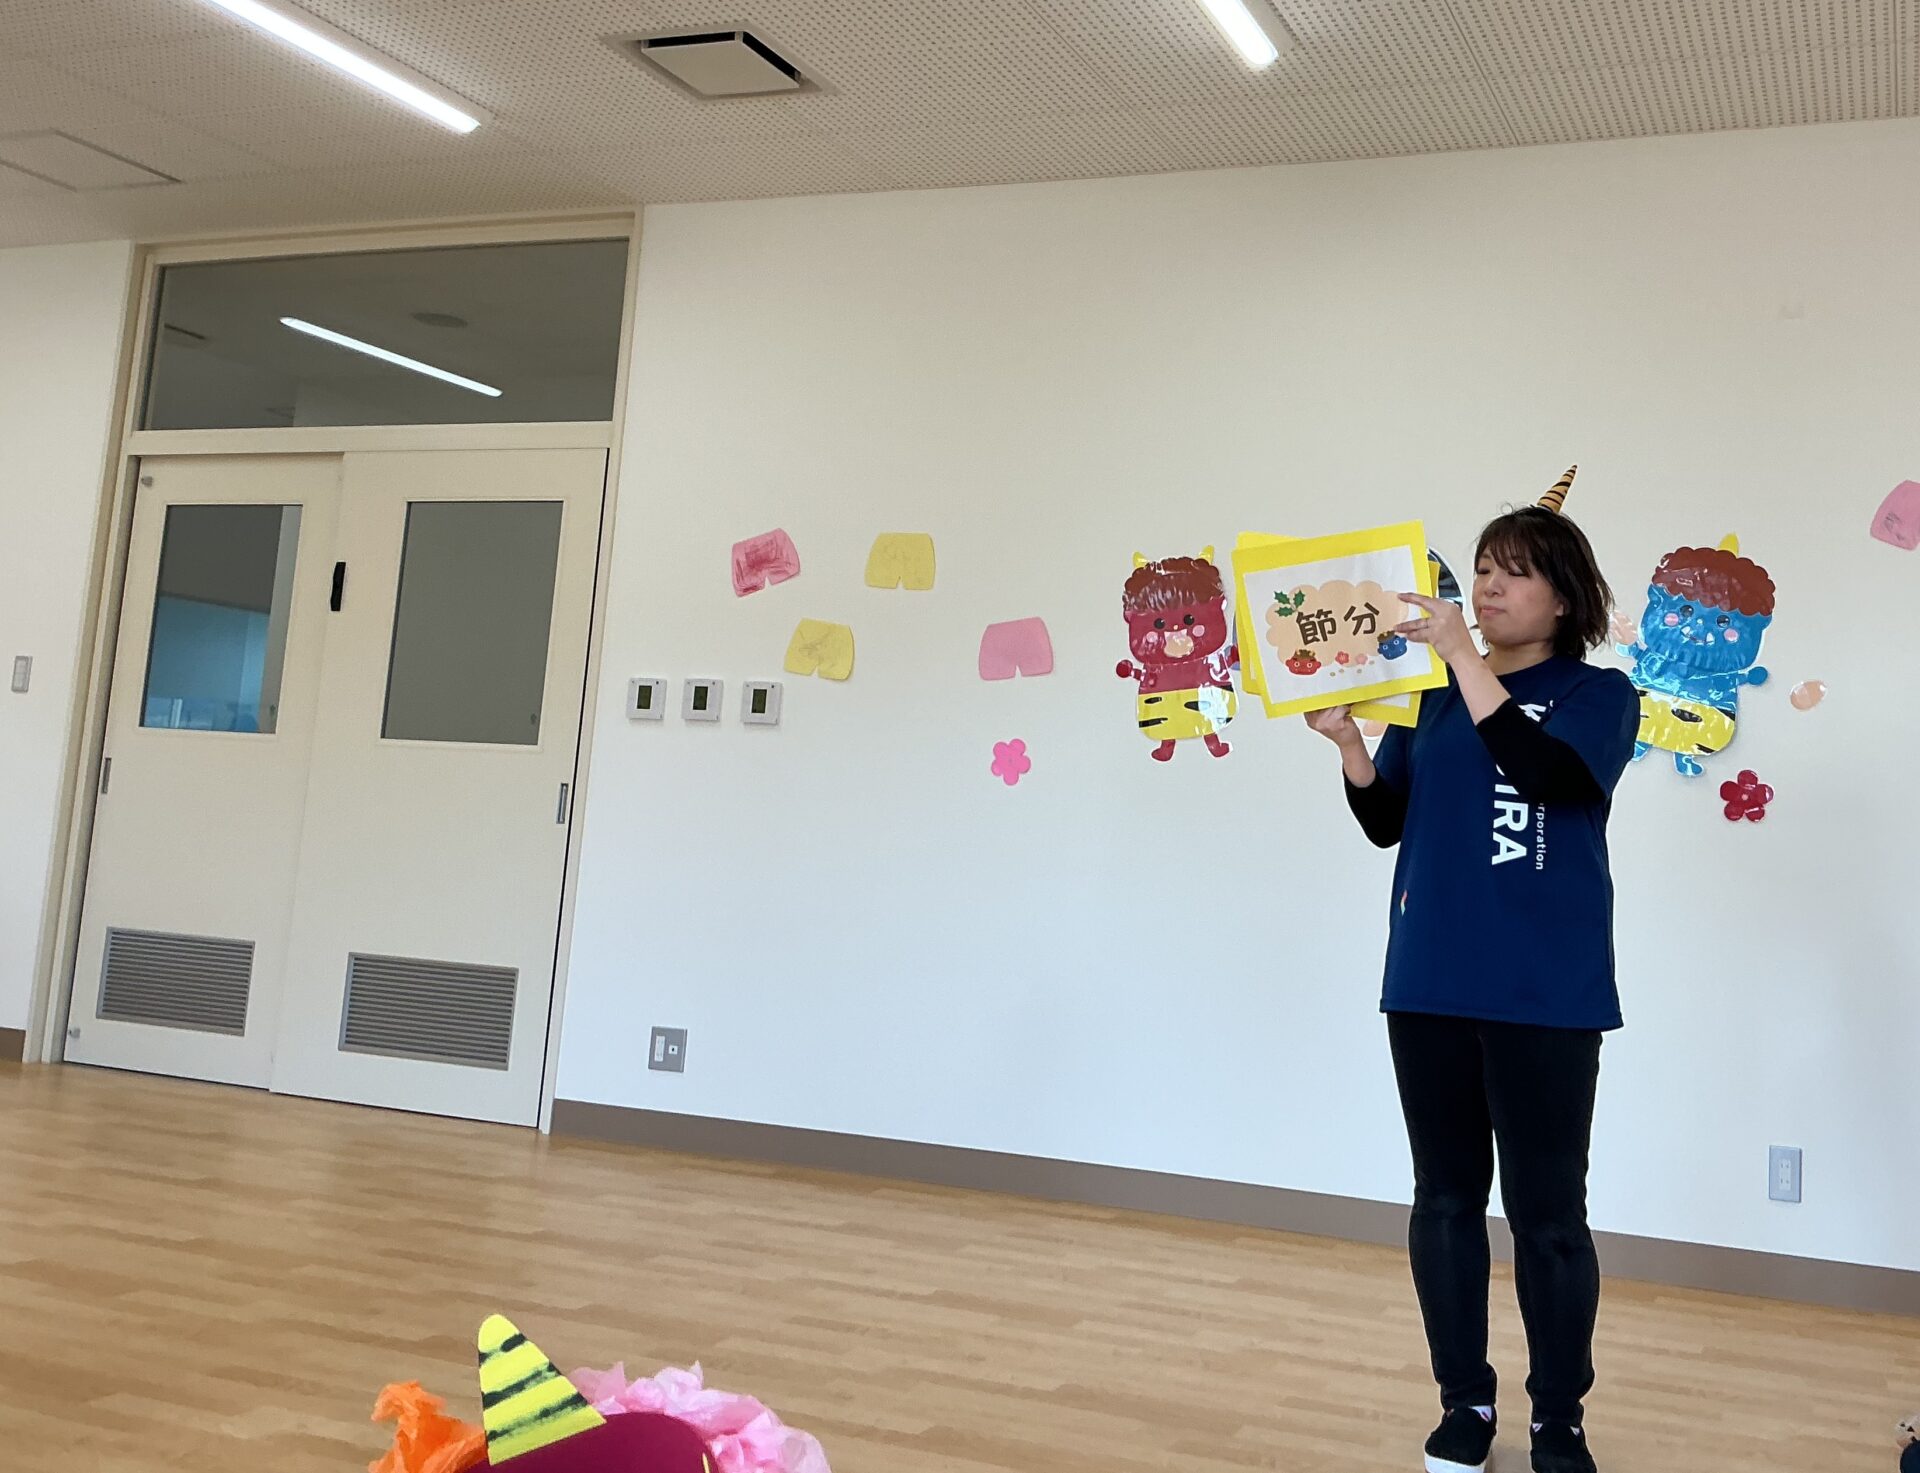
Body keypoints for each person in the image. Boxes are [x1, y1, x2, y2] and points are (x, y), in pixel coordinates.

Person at [1307, 469, 1638, 1473]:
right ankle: (1466, 1404)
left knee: (1549, 1219)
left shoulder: (1599, 696)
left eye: (1516, 573)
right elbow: (1387, 821)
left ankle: (1558, 1417)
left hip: (1546, 994)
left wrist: (1459, 656)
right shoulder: (1431, 698)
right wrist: (1353, 745)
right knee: (1445, 1201)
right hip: (1430, 982)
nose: (1489, 587)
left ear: (1565, 600)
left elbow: (1547, 775)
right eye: (1484, 569)